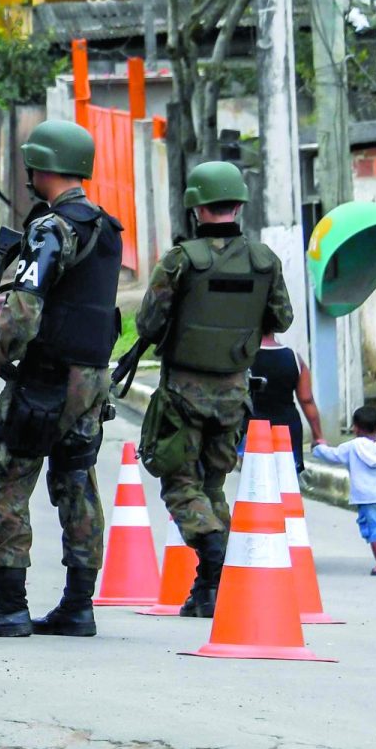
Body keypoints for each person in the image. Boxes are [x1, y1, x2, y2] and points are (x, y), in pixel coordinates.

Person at [0, 120, 121, 639]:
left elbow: (24, 309)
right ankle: (78, 605)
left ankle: (9, 604)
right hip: (91, 378)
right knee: (77, 484)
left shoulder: (52, 227)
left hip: (45, 379)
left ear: (40, 165)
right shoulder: (104, 228)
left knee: (3, 482)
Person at [130, 160, 292, 618]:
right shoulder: (264, 261)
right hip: (234, 395)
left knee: (181, 486)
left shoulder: (180, 261)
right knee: (213, 485)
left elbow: (147, 323)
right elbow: (281, 319)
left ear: (195, 208)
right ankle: (209, 591)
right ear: (240, 204)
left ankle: (218, 557)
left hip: (183, 391)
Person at [311, 406, 376, 576]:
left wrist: (318, 447)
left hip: (367, 496)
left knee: (374, 529)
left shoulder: (351, 447)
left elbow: (332, 456)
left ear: (355, 428)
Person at [251, 330, 325, 477]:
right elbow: (306, 399)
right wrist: (318, 436)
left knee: (255, 483)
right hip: (288, 429)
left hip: (253, 430)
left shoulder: (243, 359)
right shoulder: (295, 359)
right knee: (288, 482)